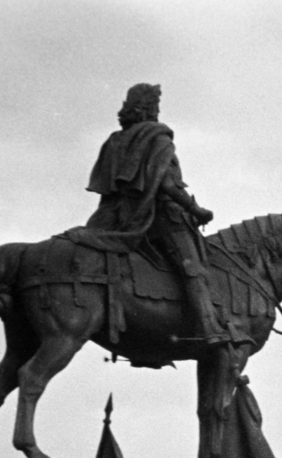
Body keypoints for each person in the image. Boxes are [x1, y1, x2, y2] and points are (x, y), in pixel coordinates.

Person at [81, 84, 226, 345]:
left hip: (117, 219)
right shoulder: (158, 138)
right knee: (193, 269)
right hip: (161, 218)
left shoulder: (114, 141)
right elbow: (168, 185)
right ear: (149, 110)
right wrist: (197, 210)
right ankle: (208, 328)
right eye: (155, 106)